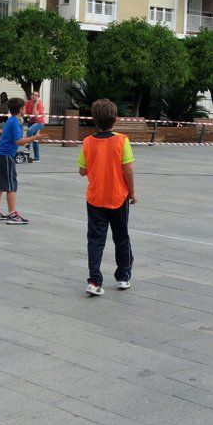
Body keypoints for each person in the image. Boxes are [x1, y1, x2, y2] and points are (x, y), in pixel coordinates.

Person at [78, 99, 136, 297]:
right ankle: (123, 276)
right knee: (121, 237)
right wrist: (133, 192)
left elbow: (82, 170)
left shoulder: (87, 142)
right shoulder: (122, 140)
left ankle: (94, 281)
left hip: (95, 198)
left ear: (94, 120)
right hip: (118, 196)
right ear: (116, 118)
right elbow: (128, 169)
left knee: (95, 240)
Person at [0, 97, 48, 224]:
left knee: (1, 185)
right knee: (11, 186)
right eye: (24, 107)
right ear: (20, 109)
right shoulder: (15, 122)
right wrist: (35, 137)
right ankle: (12, 214)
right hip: (6, 156)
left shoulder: (11, 121)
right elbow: (18, 141)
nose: (25, 109)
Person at [25, 91, 47, 162]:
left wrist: (36, 104)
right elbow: (26, 113)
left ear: (38, 97)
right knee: (35, 140)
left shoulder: (39, 104)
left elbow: (35, 114)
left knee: (30, 131)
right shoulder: (27, 103)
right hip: (31, 122)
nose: (34, 96)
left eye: (36, 95)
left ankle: (27, 148)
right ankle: (36, 158)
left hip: (39, 123)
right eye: (32, 94)